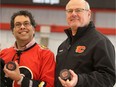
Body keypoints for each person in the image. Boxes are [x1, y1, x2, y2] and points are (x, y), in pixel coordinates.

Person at [55, 0, 115, 87]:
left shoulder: (100, 42)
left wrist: (79, 80)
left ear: (89, 14)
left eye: (78, 10)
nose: (73, 14)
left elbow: (108, 78)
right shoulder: (63, 46)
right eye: (70, 11)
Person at [0, 10, 55, 87]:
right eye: (18, 24)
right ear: (13, 31)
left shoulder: (46, 55)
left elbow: (49, 85)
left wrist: (20, 79)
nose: (22, 27)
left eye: (26, 23)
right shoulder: (3, 54)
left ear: (33, 29)